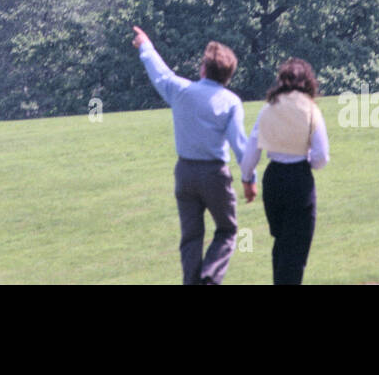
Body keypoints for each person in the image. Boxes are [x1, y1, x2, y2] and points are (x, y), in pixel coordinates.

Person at [132, 25, 248, 285]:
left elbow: (160, 74)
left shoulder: (181, 91)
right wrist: (249, 178)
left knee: (191, 237)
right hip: (215, 174)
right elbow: (239, 144)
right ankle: (209, 278)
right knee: (227, 230)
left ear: (203, 69)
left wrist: (146, 46)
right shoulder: (230, 102)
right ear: (228, 76)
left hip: (184, 172)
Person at [239, 59, 329, 285]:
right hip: (299, 179)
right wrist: (308, 162)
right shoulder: (311, 109)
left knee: (281, 244)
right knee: (296, 250)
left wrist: (246, 178)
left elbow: (251, 150)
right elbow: (321, 156)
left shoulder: (268, 108)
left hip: (273, 180)